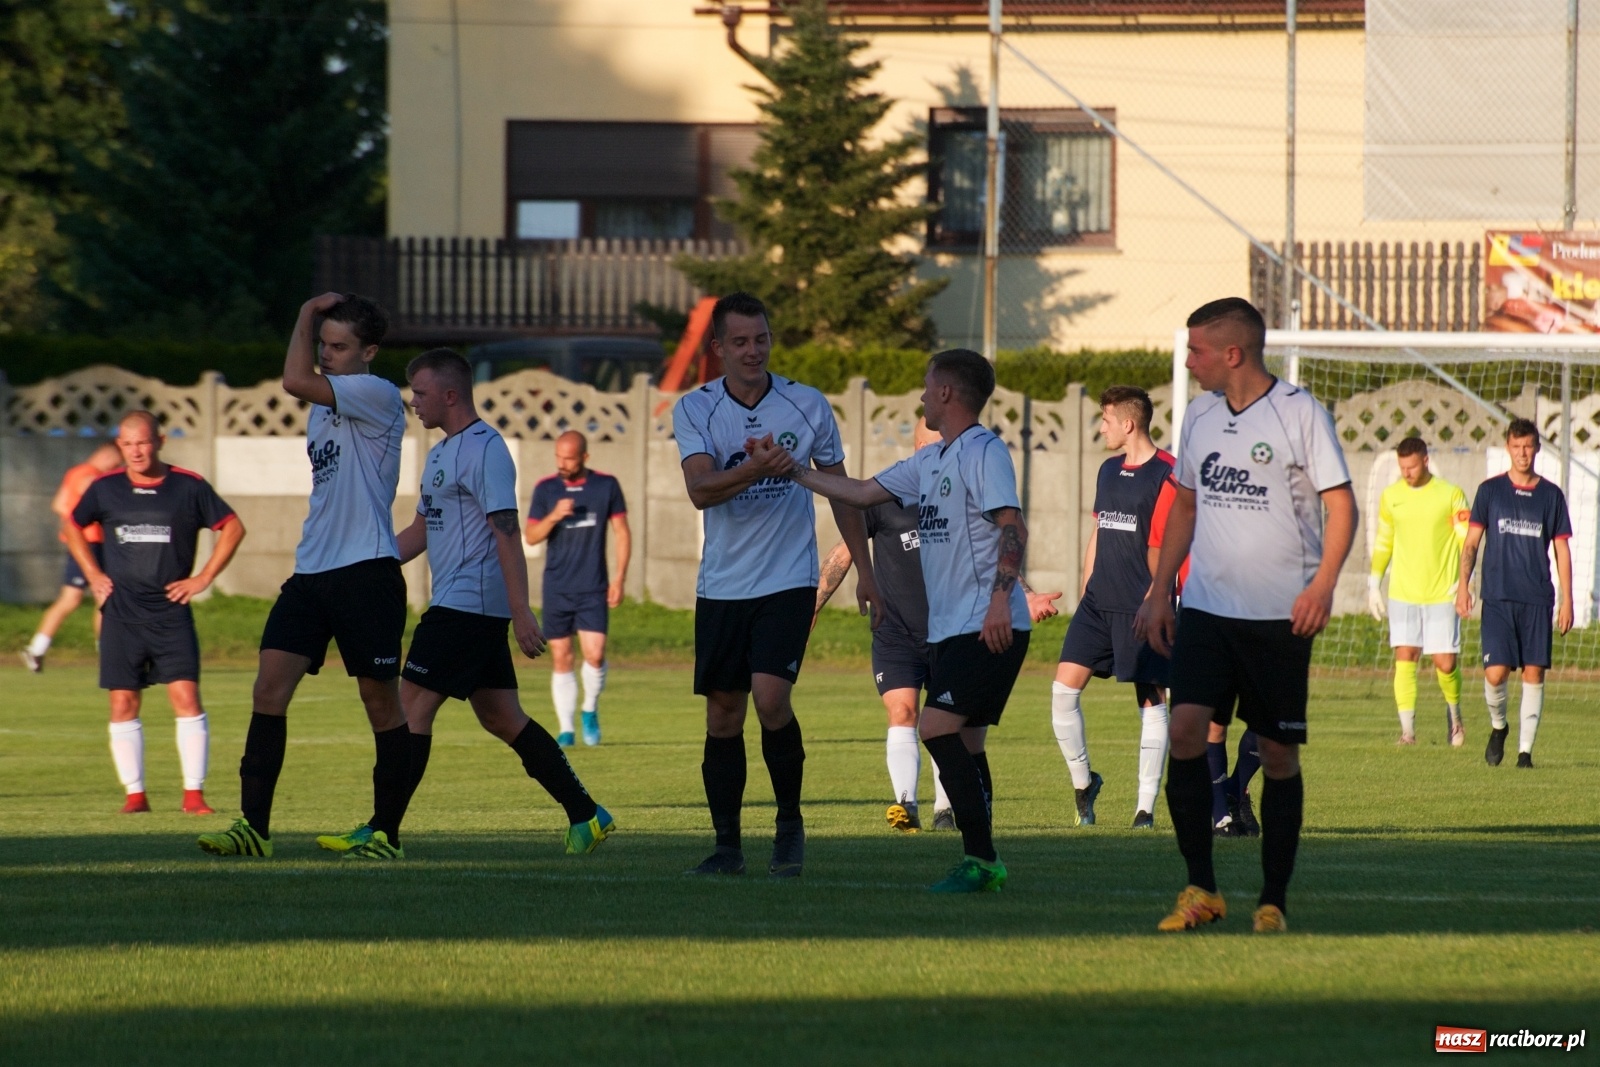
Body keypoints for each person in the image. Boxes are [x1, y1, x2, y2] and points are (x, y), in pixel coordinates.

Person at [765, 348, 1034, 894]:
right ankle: (983, 857)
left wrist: (1002, 601)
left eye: (926, 386)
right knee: (965, 741)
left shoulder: (985, 453)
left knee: (935, 727)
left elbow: (1013, 526)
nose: (919, 395)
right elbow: (862, 492)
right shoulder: (930, 462)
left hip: (985, 624)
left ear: (945, 394)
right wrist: (792, 470)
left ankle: (982, 861)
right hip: (951, 629)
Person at [1134, 297, 1356, 934]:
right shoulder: (1200, 415)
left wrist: (1323, 585)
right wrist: (1158, 593)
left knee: (1279, 754)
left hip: (1278, 616)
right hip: (1206, 608)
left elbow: (1342, 508)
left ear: (1233, 353)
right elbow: (1184, 507)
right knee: (1184, 731)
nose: (1188, 361)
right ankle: (1200, 889)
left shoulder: (1298, 413)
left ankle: (1273, 900)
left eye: (1197, 350)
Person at [339, 349, 612, 859]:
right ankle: (586, 814)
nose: (413, 403)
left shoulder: (486, 450)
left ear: (449, 395)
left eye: (420, 393)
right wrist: (364, 564)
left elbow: (506, 533)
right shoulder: (440, 453)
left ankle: (383, 832)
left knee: (411, 708)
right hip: (462, 602)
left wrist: (523, 612)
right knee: (502, 717)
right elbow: (421, 530)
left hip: (468, 603)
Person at [199, 293, 409, 859]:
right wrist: (309, 329)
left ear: (369, 352)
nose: (327, 355)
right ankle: (253, 828)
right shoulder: (325, 405)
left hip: (366, 574)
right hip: (311, 573)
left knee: (381, 704)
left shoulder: (378, 393)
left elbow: (293, 380)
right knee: (268, 689)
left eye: (339, 347)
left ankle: (385, 833)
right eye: (323, 345)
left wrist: (300, 315)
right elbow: (303, 382)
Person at [673, 291, 873, 878]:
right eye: (739, 341)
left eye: (760, 338)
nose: (753, 350)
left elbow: (844, 493)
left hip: (787, 580)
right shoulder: (696, 409)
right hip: (722, 586)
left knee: (771, 698)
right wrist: (755, 468)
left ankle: (789, 827)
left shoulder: (807, 406)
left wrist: (866, 570)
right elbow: (700, 490)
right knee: (723, 715)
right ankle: (728, 846)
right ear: (718, 349)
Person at [812, 419, 1059, 835]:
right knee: (909, 713)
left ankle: (953, 815)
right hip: (898, 631)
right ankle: (908, 806)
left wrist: (1020, 595)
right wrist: (813, 603)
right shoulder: (899, 487)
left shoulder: (970, 472)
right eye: (927, 447)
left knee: (957, 732)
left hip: (956, 629)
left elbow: (998, 540)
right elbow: (848, 534)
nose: (932, 453)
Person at [64, 411, 245, 813]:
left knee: (186, 696)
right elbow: (72, 525)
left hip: (170, 612)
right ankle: (135, 795)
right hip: (121, 614)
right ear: (119, 446)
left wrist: (202, 578)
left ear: (160, 441)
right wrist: (93, 573)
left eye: (142, 443)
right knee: (122, 704)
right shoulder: (104, 488)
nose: (135, 452)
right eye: (126, 445)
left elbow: (232, 527)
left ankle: (194, 795)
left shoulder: (189, 486)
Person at [1052, 385, 1183, 831]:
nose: (1101, 427)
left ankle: (1144, 809)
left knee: (1151, 701)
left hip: (1142, 607)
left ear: (1128, 424)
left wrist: (1161, 599)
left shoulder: (1169, 472)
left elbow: (1175, 542)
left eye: (1106, 419)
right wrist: (1087, 582)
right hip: (1096, 604)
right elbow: (1099, 531)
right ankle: (1084, 783)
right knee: (1062, 693)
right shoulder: (1107, 470)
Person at [1457, 419, 1573, 770]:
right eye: (1517, 446)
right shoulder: (1490, 491)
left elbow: (1562, 550)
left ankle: (1525, 753)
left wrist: (1567, 599)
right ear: (1508, 447)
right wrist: (1464, 584)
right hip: (1498, 596)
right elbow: (1472, 543)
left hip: (1537, 597)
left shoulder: (1551, 496)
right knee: (1495, 673)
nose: (1523, 453)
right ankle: (1498, 726)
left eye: (1529, 446)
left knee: (1534, 674)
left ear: (1537, 448)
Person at [525, 430, 631, 748]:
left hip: (593, 586)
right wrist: (555, 515)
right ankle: (567, 728)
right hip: (557, 587)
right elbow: (530, 536)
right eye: (558, 456)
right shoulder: (546, 489)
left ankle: (589, 710)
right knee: (561, 657)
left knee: (595, 655)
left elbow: (622, 532)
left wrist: (620, 578)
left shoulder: (606, 485)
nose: (562, 463)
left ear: (584, 457)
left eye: (568, 458)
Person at [1368, 436, 1470, 746]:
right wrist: (1374, 582)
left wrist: (1468, 579)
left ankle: (1454, 718)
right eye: (1402, 468)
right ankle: (1408, 733)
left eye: (1411, 467)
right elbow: (1385, 541)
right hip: (1403, 593)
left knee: (1445, 663)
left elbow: (1467, 540)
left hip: (1442, 592)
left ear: (1425, 461)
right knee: (1405, 657)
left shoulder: (1450, 494)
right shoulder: (1391, 496)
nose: (1407, 473)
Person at [21, 441, 122, 671]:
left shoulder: (73, 473)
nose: (114, 468)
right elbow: (92, 500)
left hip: (83, 544)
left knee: (84, 599)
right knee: (103, 598)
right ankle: (108, 654)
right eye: (115, 463)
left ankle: (37, 649)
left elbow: (59, 505)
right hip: (90, 543)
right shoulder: (90, 475)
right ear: (107, 457)